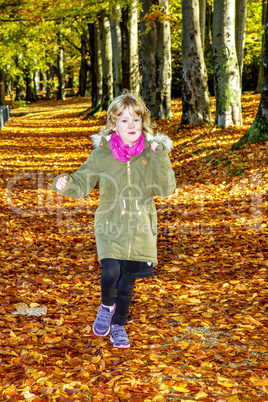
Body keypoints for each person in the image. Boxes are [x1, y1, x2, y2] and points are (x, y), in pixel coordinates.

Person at [52, 91, 176, 348]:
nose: (131, 125)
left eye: (136, 119)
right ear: (113, 124)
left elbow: (165, 189)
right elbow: (82, 183)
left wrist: (161, 156)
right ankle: (106, 306)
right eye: (124, 120)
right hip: (109, 225)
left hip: (140, 229)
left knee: (127, 284)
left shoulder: (152, 154)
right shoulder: (102, 155)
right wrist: (64, 183)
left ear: (144, 122)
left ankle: (118, 325)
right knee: (110, 272)